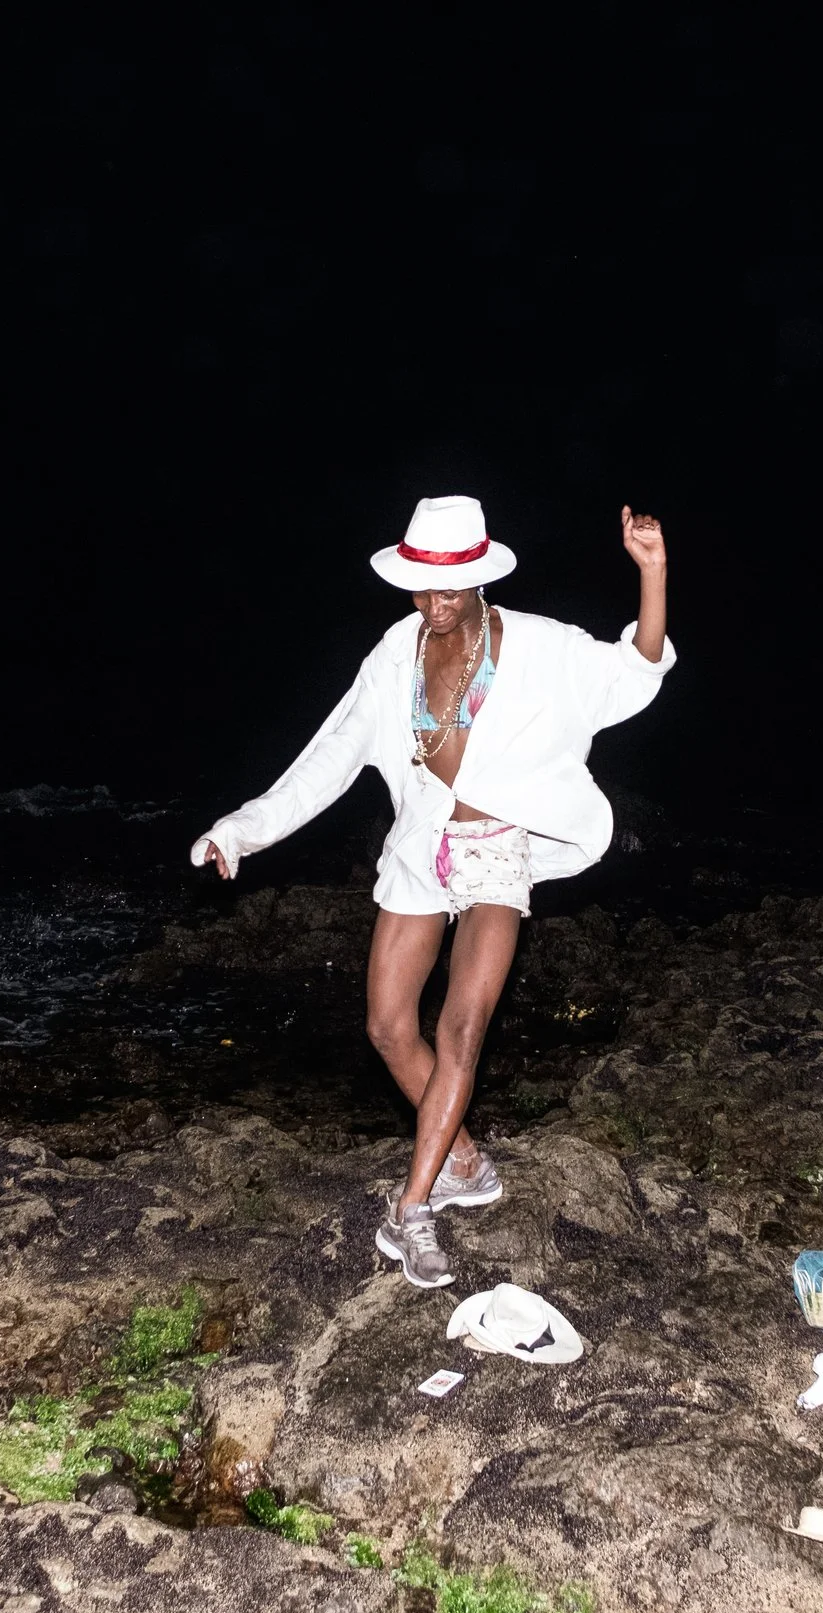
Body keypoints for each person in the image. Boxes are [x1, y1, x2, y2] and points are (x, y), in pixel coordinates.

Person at [191, 496, 674, 1287]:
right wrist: (239, 831)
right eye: (421, 587)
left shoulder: (539, 646)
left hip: (497, 845)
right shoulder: (394, 653)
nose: (434, 602)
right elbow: (330, 755)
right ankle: (465, 1161)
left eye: (449, 589)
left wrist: (652, 574)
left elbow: (637, 670)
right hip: (422, 846)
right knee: (386, 1025)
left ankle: (412, 1210)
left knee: (461, 1029)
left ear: (480, 580)